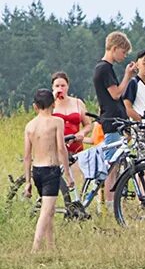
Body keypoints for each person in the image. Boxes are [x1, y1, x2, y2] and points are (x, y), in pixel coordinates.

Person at [23, 89, 71, 252]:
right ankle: (35, 247)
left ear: (35, 106)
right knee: (46, 211)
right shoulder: (56, 122)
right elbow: (61, 148)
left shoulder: (30, 126)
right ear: (53, 104)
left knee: (49, 210)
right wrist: (69, 175)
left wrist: (27, 181)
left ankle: (51, 246)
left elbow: (27, 156)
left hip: (37, 170)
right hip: (51, 169)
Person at [93, 31, 137, 203]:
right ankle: (109, 203)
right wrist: (128, 76)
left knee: (115, 164)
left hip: (115, 120)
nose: (124, 56)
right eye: (123, 52)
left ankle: (109, 201)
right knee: (112, 166)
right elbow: (116, 94)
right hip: (111, 121)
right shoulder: (104, 68)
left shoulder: (105, 68)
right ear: (114, 48)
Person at [51, 72, 92, 157]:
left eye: (63, 86)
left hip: (76, 146)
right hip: (56, 147)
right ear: (53, 88)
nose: (60, 89)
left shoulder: (78, 102)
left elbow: (88, 124)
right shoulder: (50, 105)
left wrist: (82, 133)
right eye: (57, 86)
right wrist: (52, 99)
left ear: (67, 86)